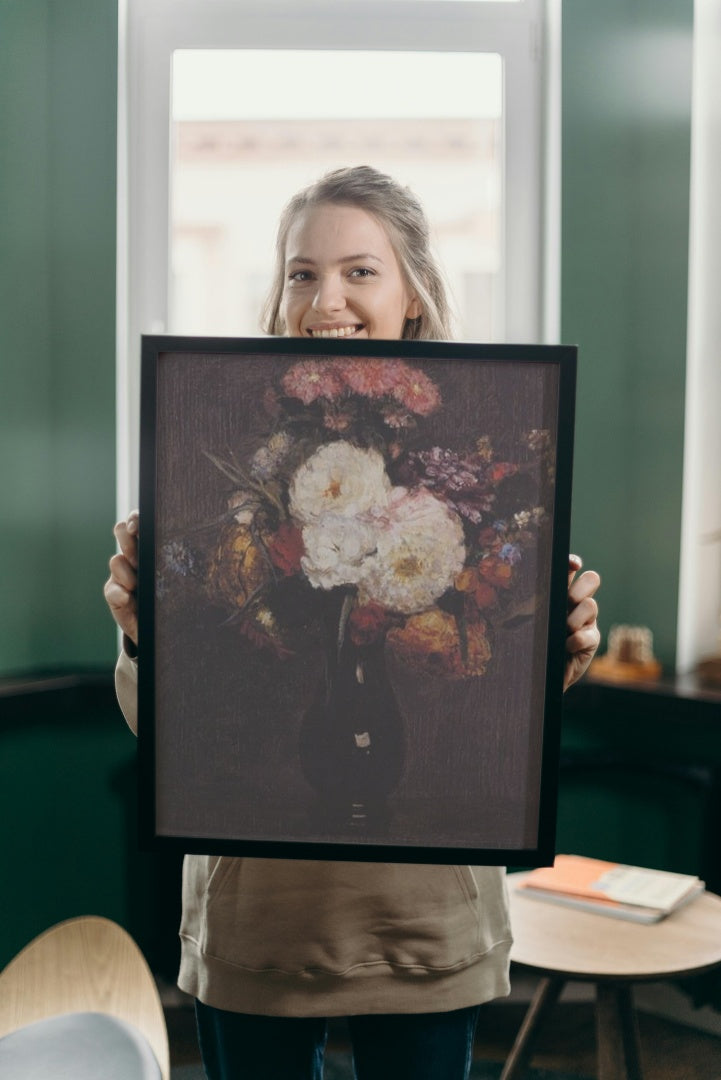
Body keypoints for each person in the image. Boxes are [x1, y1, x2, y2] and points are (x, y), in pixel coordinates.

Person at [105, 166, 601, 1080]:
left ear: (412, 292)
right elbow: (170, 727)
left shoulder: (485, 455)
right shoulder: (210, 452)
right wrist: (145, 636)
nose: (324, 298)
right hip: (259, 915)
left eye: (358, 271)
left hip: (423, 914)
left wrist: (557, 649)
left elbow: (489, 709)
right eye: (301, 272)